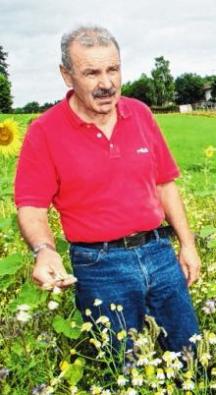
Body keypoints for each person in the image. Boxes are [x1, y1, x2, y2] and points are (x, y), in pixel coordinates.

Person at [14, 25, 200, 352]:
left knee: (190, 353)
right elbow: (31, 205)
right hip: (100, 265)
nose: (107, 83)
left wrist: (187, 244)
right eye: (92, 73)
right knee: (121, 367)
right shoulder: (44, 132)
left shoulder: (140, 114)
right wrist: (44, 250)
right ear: (67, 76)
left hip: (159, 253)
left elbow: (164, 185)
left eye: (113, 69)